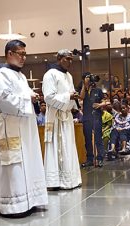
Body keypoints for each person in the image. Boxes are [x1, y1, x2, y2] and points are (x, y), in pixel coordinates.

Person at [0, 40, 48, 217]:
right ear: (9, 53)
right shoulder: (1, 75)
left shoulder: (21, 77)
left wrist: (32, 96)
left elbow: (23, 95)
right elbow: (4, 100)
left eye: (25, 54)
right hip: (11, 127)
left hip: (26, 127)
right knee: (13, 164)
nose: (23, 57)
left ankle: (31, 199)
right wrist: (27, 98)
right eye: (19, 53)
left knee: (28, 162)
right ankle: (13, 205)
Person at [42, 49, 82, 190]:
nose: (70, 62)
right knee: (57, 146)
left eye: (71, 59)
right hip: (55, 117)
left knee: (68, 145)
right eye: (67, 59)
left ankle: (70, 179)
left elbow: (69, 93)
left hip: (66, 115)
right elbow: (48, 97)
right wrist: (67, 97)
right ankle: (55, 181)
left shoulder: (69, 76)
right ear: (59, 58)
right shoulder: (50, 74)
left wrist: (73, 98)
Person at [79, 72, 108, 168]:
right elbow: (81, 97)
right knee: (87, 139)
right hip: (87, 117)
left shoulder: (98, 90)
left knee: (98, 139)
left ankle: (100, 159)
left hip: (96, 117)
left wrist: (99, 105)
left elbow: (106, 101)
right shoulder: (84, 90)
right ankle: (89, 159)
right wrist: (85, 85)